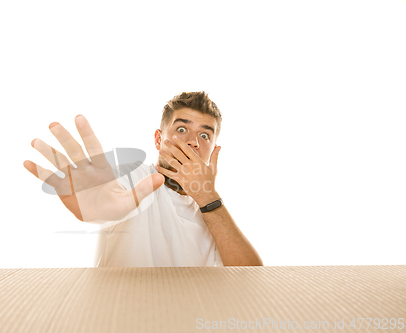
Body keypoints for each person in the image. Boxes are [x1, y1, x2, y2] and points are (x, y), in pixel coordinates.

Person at [23, 91, 263, 267]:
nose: (193, 141)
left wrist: (207, 196)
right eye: (181, 129)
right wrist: (97, 204)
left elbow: (251, 279)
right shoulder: (133, 179)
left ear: (212, 149)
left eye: (204, 135)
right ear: (159, 140)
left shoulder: (212, 212)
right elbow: (113, 193)